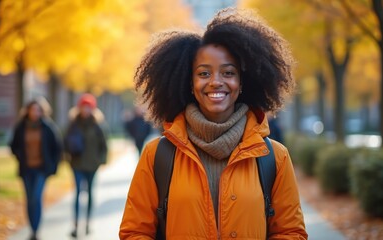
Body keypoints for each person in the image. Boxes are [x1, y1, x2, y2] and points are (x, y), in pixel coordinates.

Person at [119, 8, 308, 239]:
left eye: (228, 73)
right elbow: (134, 232)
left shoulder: (274, 158)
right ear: (190, 83)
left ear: (241, 83)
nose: (216, 82)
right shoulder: (157, 155)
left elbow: (291, 232)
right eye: (204, 74)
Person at [10, 98, 62, 240]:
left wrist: (53, 166)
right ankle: (32, 228)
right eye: (32, 109)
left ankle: (36, 230)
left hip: (41, 169)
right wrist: (19, 155)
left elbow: (57, 148)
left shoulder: (47, 127)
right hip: (26, 168)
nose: (35, 112)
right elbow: (13, 145)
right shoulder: (21, 127)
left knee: (36, 197)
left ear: (42, 111)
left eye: (38, 109)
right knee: (29, 199)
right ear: (27, 111)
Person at [64, 93, 108, 238]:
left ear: (93, 109)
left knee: (89, 193)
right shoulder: (73, 124)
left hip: (92, 165)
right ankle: (76, 225)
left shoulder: (97, 125)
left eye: (88, 107)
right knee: (77, 194)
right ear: (79, 108)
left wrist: (101, 160)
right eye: (83, 107)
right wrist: (67, 157)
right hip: (76, 164)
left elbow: (104, 145)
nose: (85, 110)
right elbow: (65, 142)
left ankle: (88, 223)